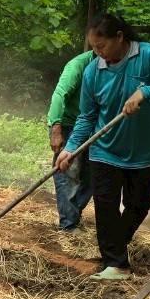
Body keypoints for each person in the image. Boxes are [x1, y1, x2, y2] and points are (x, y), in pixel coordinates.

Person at [56, 13, 150, 281]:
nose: (98, 53)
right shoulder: (93, 71)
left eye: (102, 46)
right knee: (106, 206)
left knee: (140, 203)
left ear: (120, 37)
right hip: (105, 151)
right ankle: (116, 263)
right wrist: (71, 147)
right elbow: (86, 116)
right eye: (94, 48)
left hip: (146, 152)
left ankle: (115, 246)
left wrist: (147, 93)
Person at [48, 50, 95, 230]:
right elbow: (60, 94)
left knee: (92, 177)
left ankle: (73, 213)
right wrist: (56, 128)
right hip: (67, 124)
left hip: (92, 126)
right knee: (68, 174)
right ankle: (68, 225)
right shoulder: (77, 66)